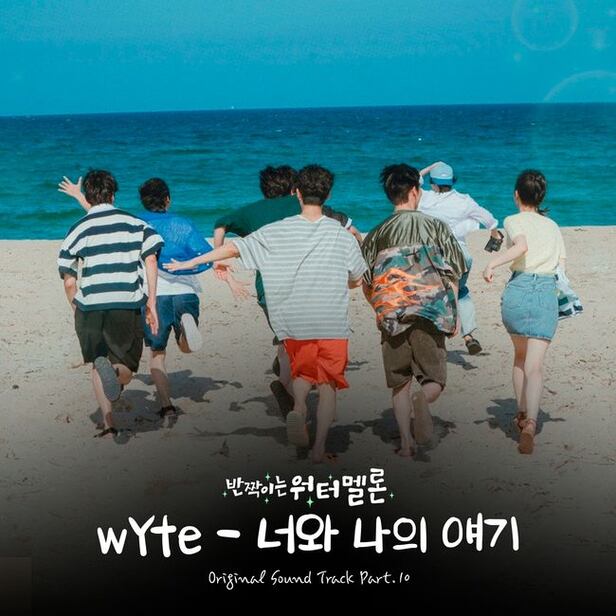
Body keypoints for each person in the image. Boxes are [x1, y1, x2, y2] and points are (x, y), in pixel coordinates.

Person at [165, 165, 367, 463]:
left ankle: (298, 408)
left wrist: (191, 263)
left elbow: (233, 249)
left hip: (294, 322)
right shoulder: (341, 235)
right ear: (328, 195)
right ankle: (319, 449)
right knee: (328, 386)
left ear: (298, 193)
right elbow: (357, 278)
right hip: (332, 322)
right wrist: (347, 282)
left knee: (301, 374)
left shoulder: (275, 231)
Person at [59, 175, 246, 419]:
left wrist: (79, 196)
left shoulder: (137, 221)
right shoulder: (183, 223)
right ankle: (185, 327)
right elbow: (207, 254)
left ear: (143, 201)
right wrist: (229, 278)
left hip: (154, 293)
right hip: (186, 292)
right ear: (167, 199)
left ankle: (167, 405)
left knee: (157, 354)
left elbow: (104, 218)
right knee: (185, 345)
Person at [211, 164, 361, 416]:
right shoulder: (303, 206)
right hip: (310, 287)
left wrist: (220, 261)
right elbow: (351, 230)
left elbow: (220, 223)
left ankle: (290, 392)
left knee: (286, 339)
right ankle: (293, 393)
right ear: (296, 189)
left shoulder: (252, 210)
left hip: (269, 291)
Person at [362, 164, 467, 458]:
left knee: (399, 383)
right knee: (435, 379)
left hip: (391, 315)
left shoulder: (377, 233)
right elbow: (454, 272)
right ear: (414, 191)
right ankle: (424, 399)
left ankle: (406, 444)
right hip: (430, 312)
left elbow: (366, 281)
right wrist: (453, 312)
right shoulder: (436, 227)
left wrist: (379, 309)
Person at [57, 170, 163, 439]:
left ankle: (108, 424)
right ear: (113, 195)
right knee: (126, 367)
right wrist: (152, 302)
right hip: (125, 304)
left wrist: (75, 307)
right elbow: (151, 259)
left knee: (97, 361)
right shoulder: (135, 223)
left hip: (90, 307)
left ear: (89, 196)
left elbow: (69, 280)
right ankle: (115, 374)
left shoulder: (78, 228)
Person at [483, 170, 566, 455]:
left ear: (516, 195)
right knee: (535, 365)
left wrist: (492, 263)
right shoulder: (553, 225)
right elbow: (561, 266)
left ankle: (520, 413)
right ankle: (531, 422)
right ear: (541, 196)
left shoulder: (513, 219)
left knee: (519, 356)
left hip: (518, 290)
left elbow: (521, 246)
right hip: (545, 292)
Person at [418, 161, 501, 355]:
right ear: (452, 182)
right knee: (461, 291)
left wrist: (432, 166)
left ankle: (434, 336)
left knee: (431, 294)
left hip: (431, 255)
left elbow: (413, 179)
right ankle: (469, 336)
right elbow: (488, 219)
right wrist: (495, 234)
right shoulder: (464, 201)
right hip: (460, 256)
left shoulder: (424, 198)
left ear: (433, 183)